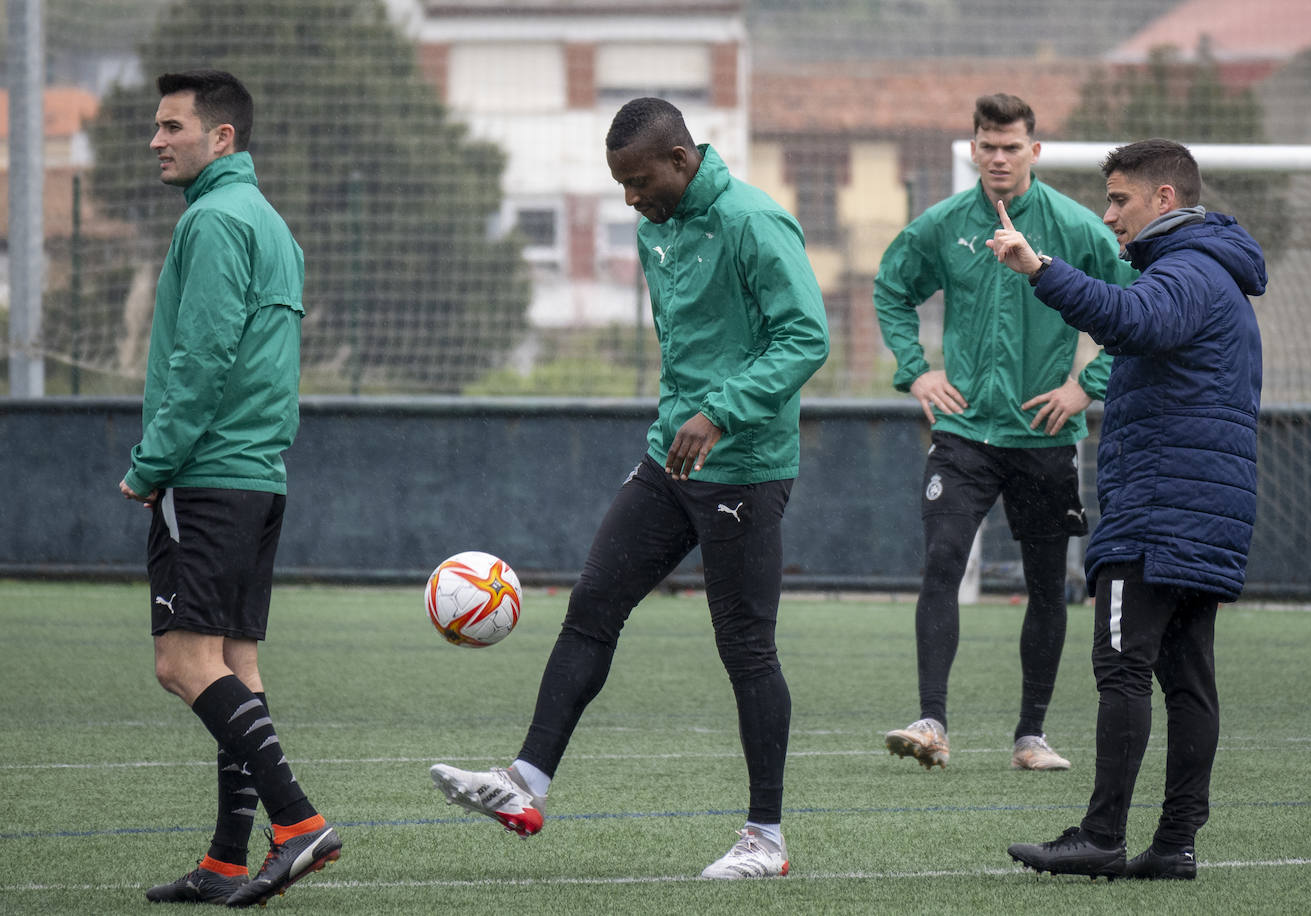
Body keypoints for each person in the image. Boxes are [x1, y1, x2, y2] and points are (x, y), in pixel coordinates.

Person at [430, 96, 830, 880]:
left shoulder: (754, 222)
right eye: (618, 183)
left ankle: (766, 841)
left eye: (638, 180)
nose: (629, 199)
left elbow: (806, 336)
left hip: (744, 468)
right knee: (592, 609)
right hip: (669, 458)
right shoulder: (656, 230)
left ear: (681, 159)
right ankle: (524, 783)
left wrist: (720, 412)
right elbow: (686, 349)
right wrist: (685, 416)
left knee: (746, 650)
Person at [994, 139, 1265, 879]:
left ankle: (1102, 835)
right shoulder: (1214, 274)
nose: (1109, 214)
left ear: (1164, 200)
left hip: (1158, 512)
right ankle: (1175, 845)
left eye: (1119, 199)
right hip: (1202, 511)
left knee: (1123, 669)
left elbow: (1127, 320)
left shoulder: (1187, 272)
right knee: (1187, 682)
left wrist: (1040, 268)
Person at [119, 69, 340, 907]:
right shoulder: (270, 224)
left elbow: (202, 359)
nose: (156, 139)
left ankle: (300, 824)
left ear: (222, 139)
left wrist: (151, 462)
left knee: (181, 663)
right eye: (157, 125)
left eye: (172, 125)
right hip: (258, 476)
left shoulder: (213, 221)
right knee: (232, 663)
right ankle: (223, 861)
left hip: (207, 475)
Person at [873, 93, 1136, 771]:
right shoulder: (943, 225)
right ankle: (931, 721)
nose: (998, 158)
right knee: (941, 564)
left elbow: (1137, 310)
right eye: (987, 146)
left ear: (1034, 152)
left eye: (1011, 146)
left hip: (1045, 437)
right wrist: (917, 372)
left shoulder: (1077, 229)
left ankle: (1031, 736)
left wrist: (1087, 384)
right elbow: (892, 288)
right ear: (972, 149)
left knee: (1049, 585)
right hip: (962, 434)